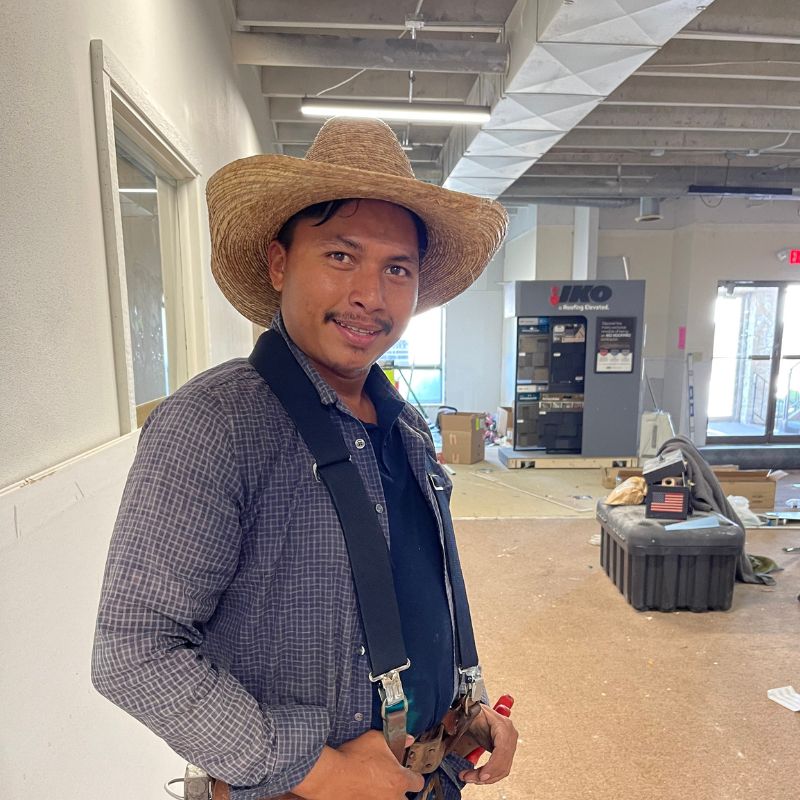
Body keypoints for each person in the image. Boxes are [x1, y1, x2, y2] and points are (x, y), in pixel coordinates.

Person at [92, 117, 517, 800]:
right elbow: (133, 650)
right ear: (279, 261)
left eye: (396, 269)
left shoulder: (404, 425)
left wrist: (469, 704)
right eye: (341, 257)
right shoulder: (217, 423)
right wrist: (318, 770)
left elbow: (412, 592)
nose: (370, 297)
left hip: (431, 775)